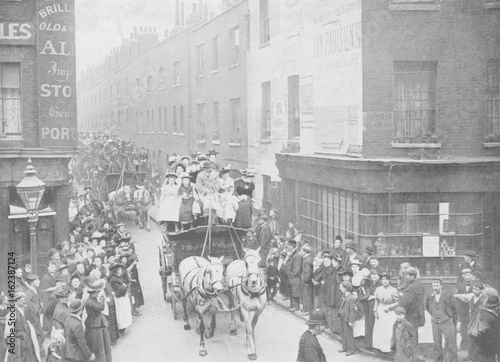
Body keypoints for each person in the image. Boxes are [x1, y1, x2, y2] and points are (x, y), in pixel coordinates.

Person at [425, 278, 459, 362]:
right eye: (433, 285)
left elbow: (456, 308)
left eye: (437, 285)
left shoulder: (448, 295)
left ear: (441, 285)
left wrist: (452, 319)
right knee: (437, 344)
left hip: (447, 322)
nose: (435, 287)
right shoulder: (430, 296)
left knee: (451, 345)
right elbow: (428, 307)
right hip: (435, 323)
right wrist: (434, 316)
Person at [85, 280, 112, 362]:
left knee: (102, 344)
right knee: (99, 345)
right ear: (92, 293)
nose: (97, 294)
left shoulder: (92, 299)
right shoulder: (90, 302)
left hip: (97, 323)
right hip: (94, 325)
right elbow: (101, 307)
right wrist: (102, 297)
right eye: (96, 292)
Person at [372, 273, 399, 353]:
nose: (385, 281)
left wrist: (390, 307)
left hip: (389, 311)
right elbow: (376, 300)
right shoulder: (378, 289)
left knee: (388, 329)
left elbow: (397, 302)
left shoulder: (393, 290)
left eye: (386, 279)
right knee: (379, 328)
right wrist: (375, 311)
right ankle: (378, 346)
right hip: (380, 309)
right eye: (383, 279)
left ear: (389, 280)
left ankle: (388, 347)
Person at [394, 267, 425, 334]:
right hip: (417, 314)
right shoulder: (419, 284)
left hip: (411, 315)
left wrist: (397, 305)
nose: (405, 277)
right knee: (413, 333)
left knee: (410, 334)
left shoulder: (412, 287)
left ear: (412, 276)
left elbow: (406, 302)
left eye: (407, 275)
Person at [469, 295, 500, 362]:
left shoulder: (480, 312)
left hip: (477, 347)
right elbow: (495, 337)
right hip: (488, 351)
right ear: (497, 306)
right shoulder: (493, 318)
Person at [108, 263, 132, 332]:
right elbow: (119, 288)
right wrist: (124, 286)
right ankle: (121, 326)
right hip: (118, 297)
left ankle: (123, 325)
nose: (121, 270)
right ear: (116, 271)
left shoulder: (118, 277)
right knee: (120, 312)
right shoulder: (114, 279)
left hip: (122, 296)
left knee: (124, 311)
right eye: (119, 269)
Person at [338, 281, 356, 356]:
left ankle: (351, 349)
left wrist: (351, 321)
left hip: (347, 319)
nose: (340, 289)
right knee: (343, 333)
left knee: (348, 334)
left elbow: (352, 311)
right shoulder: (343, 296)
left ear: (346, 288)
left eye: (341, 287)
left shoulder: (350, 298)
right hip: (342, 317)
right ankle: (344, 347)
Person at [286, 239, 302, 312]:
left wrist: (291, 275)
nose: (287, 246)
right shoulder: (292, 254)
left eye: (289, 245)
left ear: (292, 246)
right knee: (292, 291)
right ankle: (292, 305)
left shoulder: (297, 256)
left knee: (295, 291)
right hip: (291, 277)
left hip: (295, 278)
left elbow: (297, 269)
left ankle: (296, 306)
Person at [301, 244, 314, 315]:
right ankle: (306, 309)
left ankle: (308, 310)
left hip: (307, 282)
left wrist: (304, 280)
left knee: (307, 296)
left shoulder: (307, 260)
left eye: (302, 251)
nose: (301, 252)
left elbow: (308, 272)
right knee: (307, 295)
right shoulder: (309, 258)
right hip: (307, 281)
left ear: (305, 252)